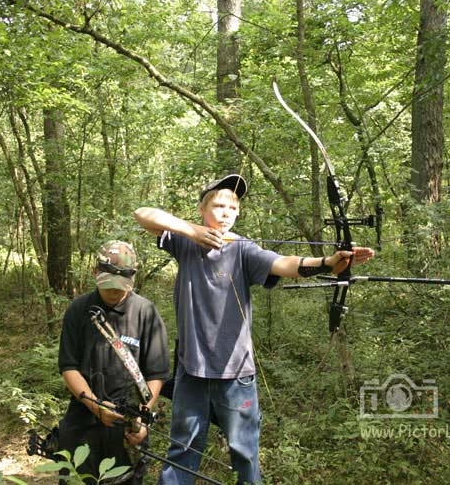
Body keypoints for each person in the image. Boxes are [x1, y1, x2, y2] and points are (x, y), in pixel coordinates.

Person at [133, 174, 375, 484]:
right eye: (218, 205)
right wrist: (191, 231)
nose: (226, 212)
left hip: (235, 375)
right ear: (202, 210)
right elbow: (143, 214)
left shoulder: (244, 248)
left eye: (232, 208)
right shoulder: (184, 242)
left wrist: (327, 262)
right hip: (191, 370)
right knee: (182, 451)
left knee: (245, 454)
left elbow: (285, 264)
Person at [57, 240, 170, 484]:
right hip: (82, 421)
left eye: (121, 287)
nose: (114, 292)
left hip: (127, 426)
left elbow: (156, 374)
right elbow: (68, 366)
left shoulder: (145, 312)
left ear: (133, 277)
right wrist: (96, 406)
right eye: (108, 285)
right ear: (95, 273)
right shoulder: (78, 310)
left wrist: (142, 418)